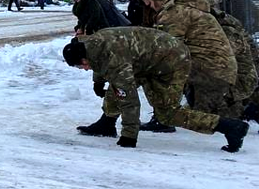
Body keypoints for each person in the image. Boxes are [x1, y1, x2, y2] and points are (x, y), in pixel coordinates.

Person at [64, 29, 249, 152]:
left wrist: (129, 136)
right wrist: (98, 81)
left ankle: (230, 127)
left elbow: (129, 99)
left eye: (82, 67)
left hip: (172, 63)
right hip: (150, 59)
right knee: (116, 86)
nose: (85, 70)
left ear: (83, 59)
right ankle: (106, 123)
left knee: (167, 114)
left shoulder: (114, 59)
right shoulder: (94, 43)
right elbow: (99, 63)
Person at [145, 0, 237, 118]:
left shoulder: (174, 12)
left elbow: (169, 49)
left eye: (151, 2)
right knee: (208, 112)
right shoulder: (190, 8)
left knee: (156, 71)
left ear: (158, 0)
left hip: (209, 69)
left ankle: (162, 116)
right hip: (220, 69)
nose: (150, 6)